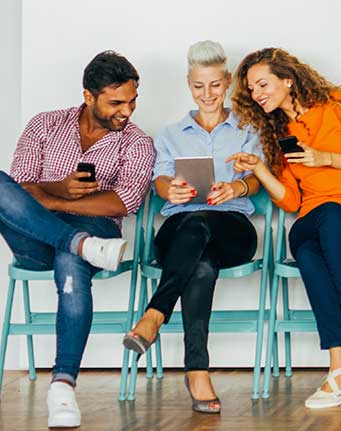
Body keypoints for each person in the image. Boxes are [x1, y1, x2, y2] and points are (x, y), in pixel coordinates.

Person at [0, 51, 154, 428]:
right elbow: (15, 188)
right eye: (116, 102)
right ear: (88, 96)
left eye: (133, 100)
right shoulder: (45, 125)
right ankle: (77, 243)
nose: (128, 111)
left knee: (69, 259)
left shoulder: (137, 142)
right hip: (38, 237)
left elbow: (127, 200)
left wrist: (55, 199)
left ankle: (62, 386)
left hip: (99, 232)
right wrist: (56, 188)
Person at [228, 47, 341, 409]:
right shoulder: (276, 130)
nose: (257, 93)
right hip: (310, 222)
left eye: (262, 84)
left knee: (314, 254)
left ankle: (340, 367)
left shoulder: (336, 103)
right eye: (251, 89)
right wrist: (261, 170)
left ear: (288, 79)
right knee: (323, 218)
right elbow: (293, 202)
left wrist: (323, 157)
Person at [121, 40, 261, 414]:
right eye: (199, 86)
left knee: (202, 223)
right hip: (180, 228)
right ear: (189, 83)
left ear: (228, 81)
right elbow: (160, 182)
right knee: (199, 258)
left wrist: (237, 186)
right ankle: (197, 371)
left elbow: (258, 180)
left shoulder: (248, 129)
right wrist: (175, 191)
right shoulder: (170, 134)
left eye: (215, 85)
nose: (208, 94)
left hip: (232, 227)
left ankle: (154, 315)